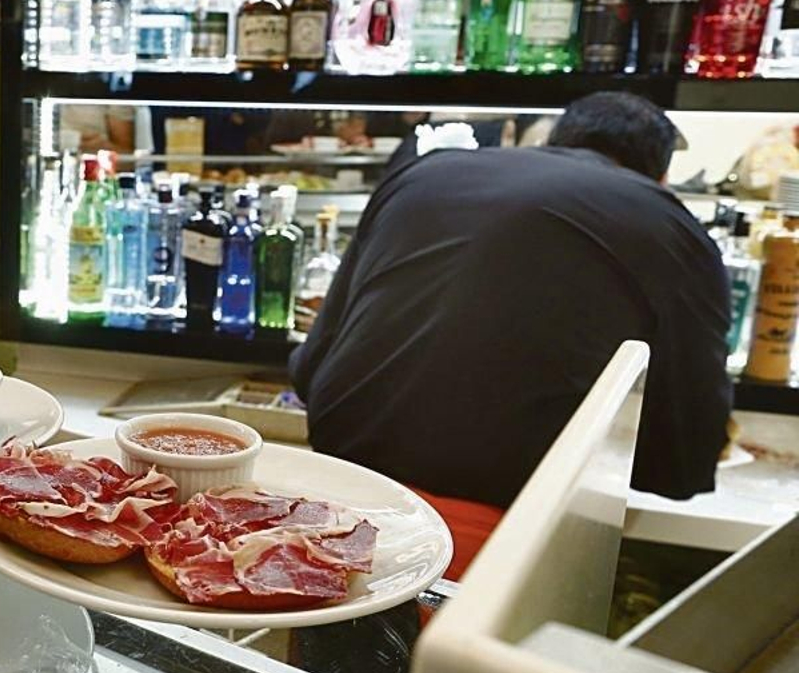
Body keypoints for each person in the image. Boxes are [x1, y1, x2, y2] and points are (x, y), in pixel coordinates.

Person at [289, 92, 731, 579]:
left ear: (556, 139)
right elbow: (689, 434)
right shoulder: (668, 222)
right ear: (660, 174)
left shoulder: (426, 173)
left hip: (340, 489)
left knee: (326, 652)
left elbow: (312, 365)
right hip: (497, 525)